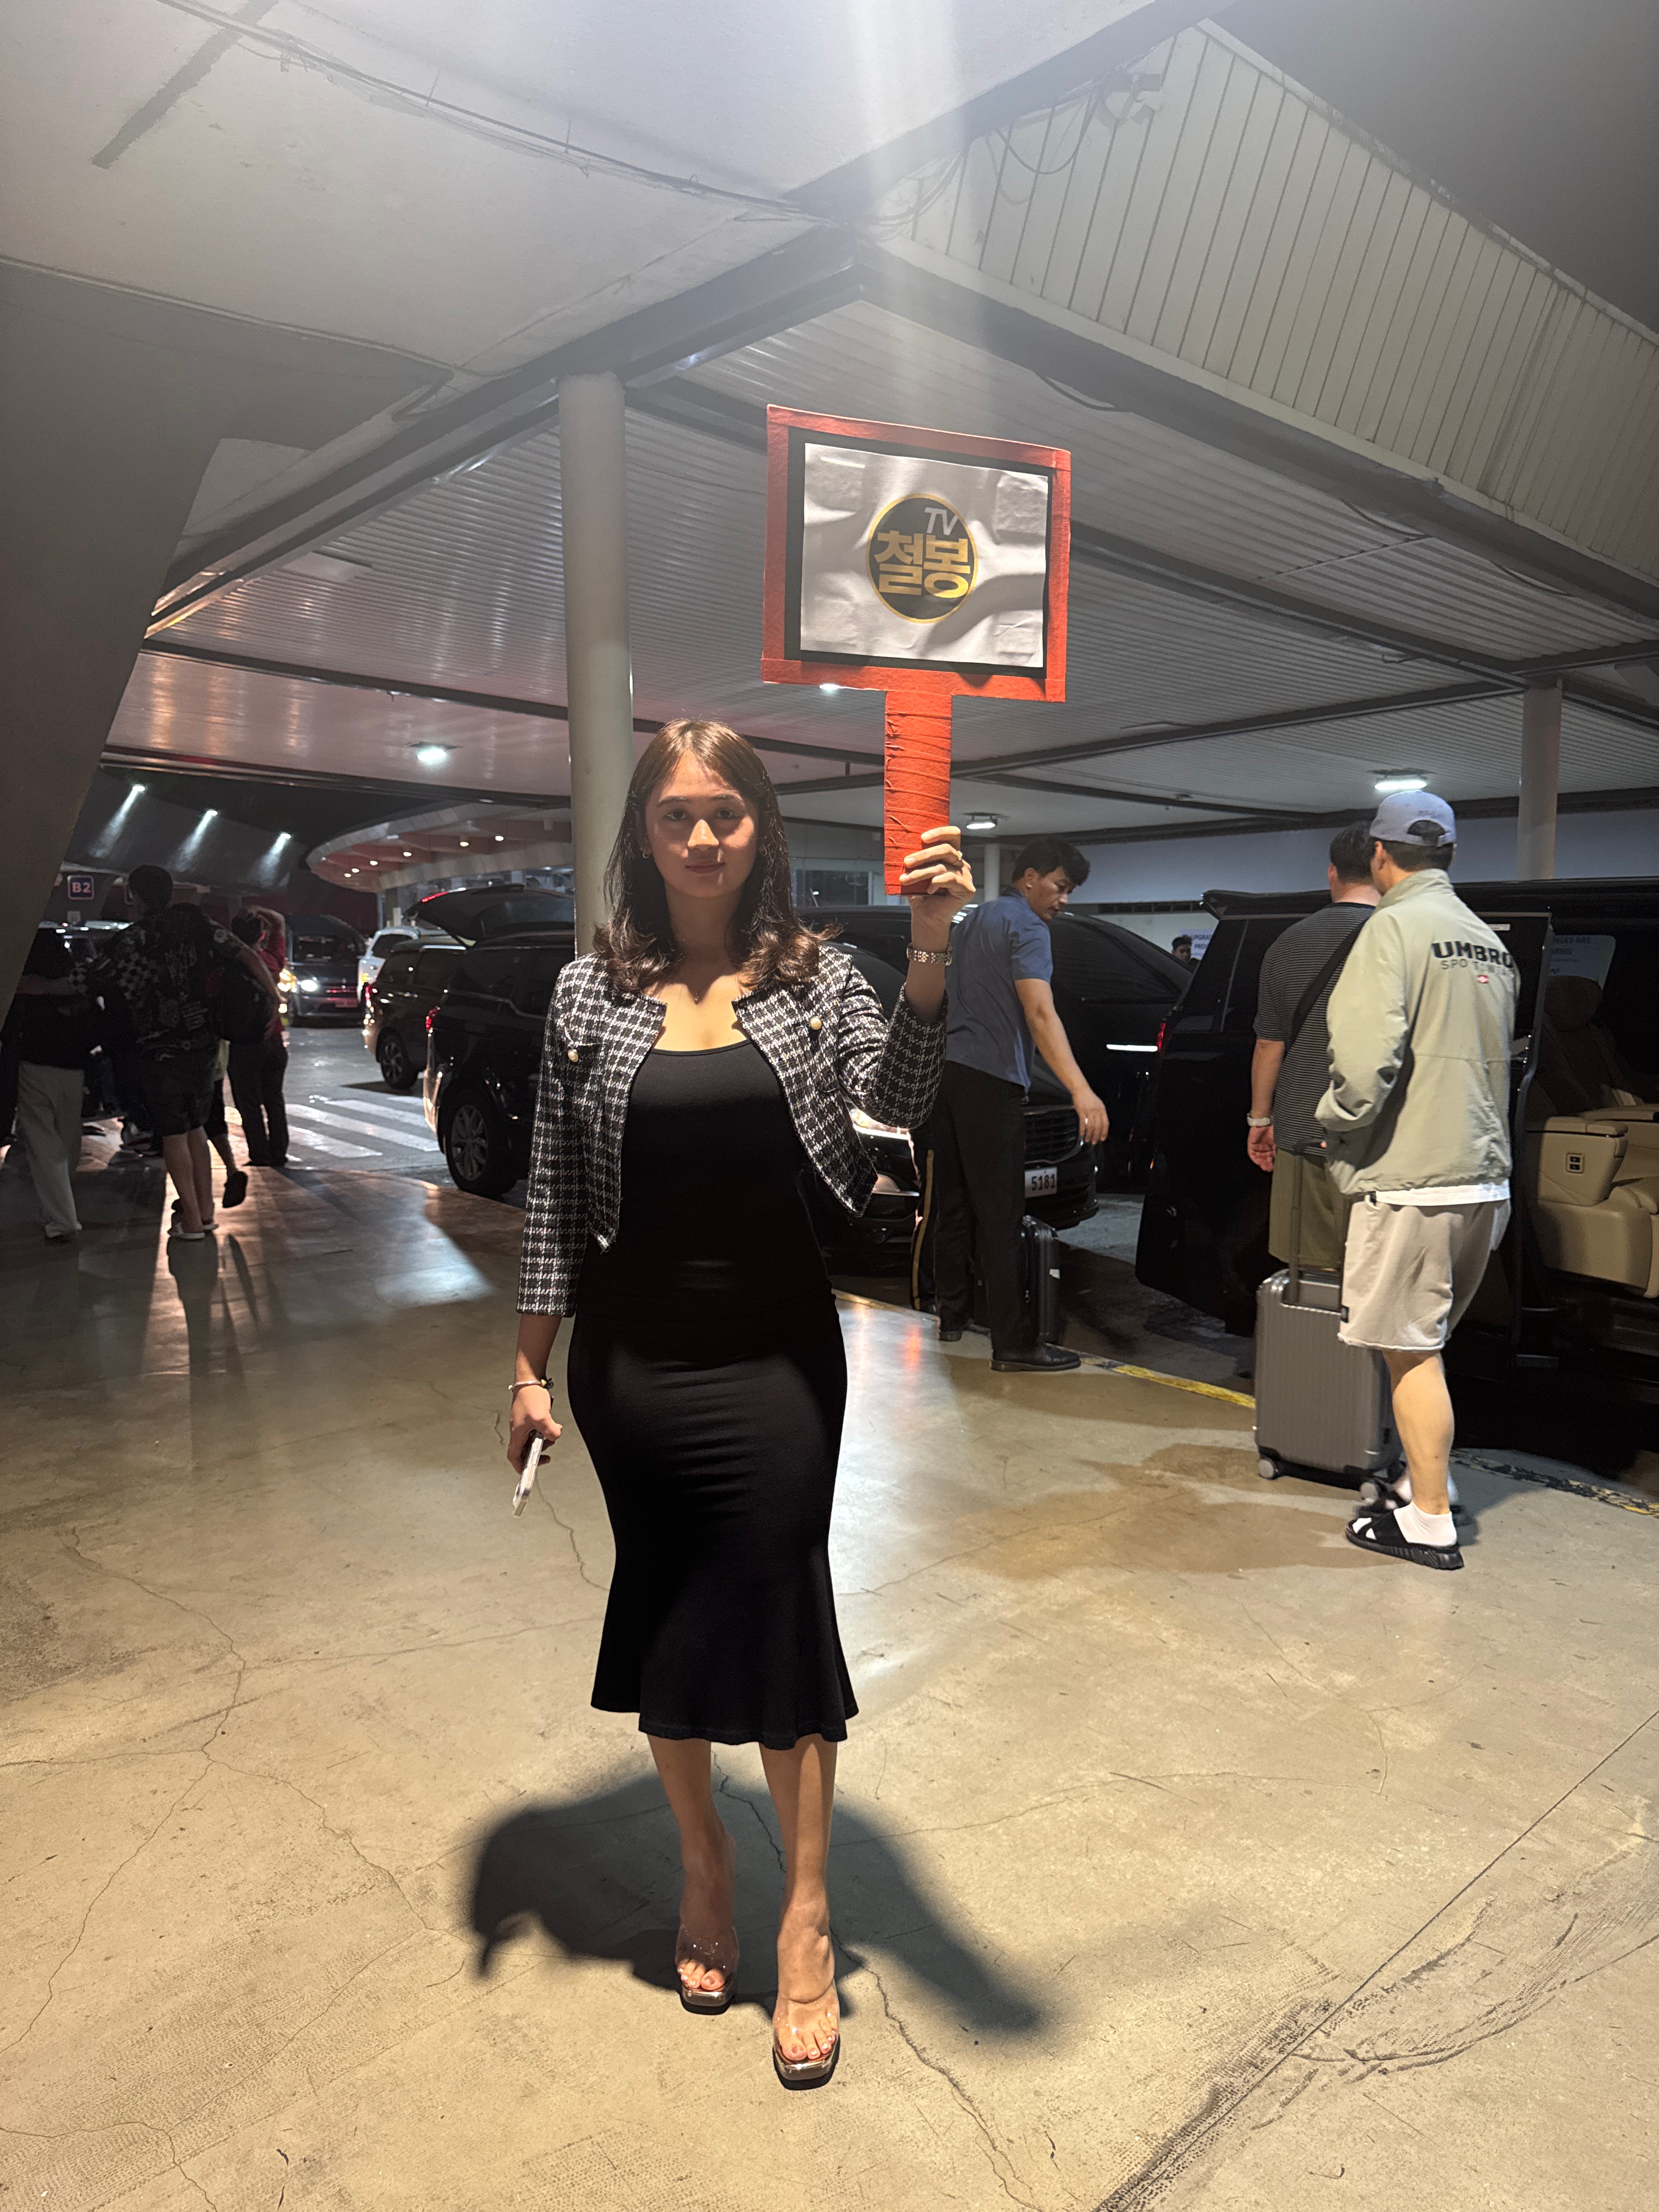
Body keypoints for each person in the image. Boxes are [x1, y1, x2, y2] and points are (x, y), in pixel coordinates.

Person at [505, 718, 970, 2089]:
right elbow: (553, 1189)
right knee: (668, 1607)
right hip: (633, 1363)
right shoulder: (587, 993)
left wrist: (930, 948)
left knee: (776, 1609)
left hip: (775, 1357)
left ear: (762, 828)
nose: (703, 836)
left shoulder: (819, 979)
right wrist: (529, 1366)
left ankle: (807, 1912)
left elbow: (898, 1106)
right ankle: (705, 1862)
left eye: (727, 813)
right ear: (643, 836)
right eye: (677, 815)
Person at [1316, 794, 1518, 1571]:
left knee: (1408, 1351)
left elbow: (1365, 1064)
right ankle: (1423, 1481)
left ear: (1379, 854)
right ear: (1451, 855)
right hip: (1482, 1177)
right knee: (1426, 1344)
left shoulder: (1391, 930)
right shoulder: (1485, 940)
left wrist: (1334, 1121)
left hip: (1413, 1179)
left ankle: (1429, 1520)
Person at [922, 836, 1108, 1372]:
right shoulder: (1027, 927)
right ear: (1030, 878)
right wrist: (1081, 1089)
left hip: (946, 1076)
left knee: (953, 1205)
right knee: (1001, 1214)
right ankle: (1014, 1344)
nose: (1063, 900)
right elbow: (1040, 1012)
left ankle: (952, 1315)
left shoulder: (973, 921)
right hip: (990, 1081)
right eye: (1059, 887)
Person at [95, 865, 276, 1239]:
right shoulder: (198, 926)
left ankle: (191, 1220)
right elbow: (246, 955)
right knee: (196, 1127)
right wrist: (273, 998)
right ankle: (206, 1213)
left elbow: (89, 980)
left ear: (133, 896)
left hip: (159, 1050)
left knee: (173, 1134)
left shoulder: (130, 941)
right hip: (202, 1045)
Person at [1246, 822, 1380, 1270]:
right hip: (1379, 1139)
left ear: (1332, 873)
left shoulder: (1287, 943)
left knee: (1312, 1275)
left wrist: (1260, 1119)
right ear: (1383, 869)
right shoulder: (1401, 939)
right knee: (1380, 1275)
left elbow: (1269, 1045)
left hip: (1303, 1134)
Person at [3, 929, 100, 1241]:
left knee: (44, 1145)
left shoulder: (22, 986)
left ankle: (62, 1219)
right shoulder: (75, 986)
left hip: (33, 1069)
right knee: (69, 1139)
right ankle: (59, 1207)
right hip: (74, 1071)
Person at [227, 911, 290, 1168]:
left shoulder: (231, 964)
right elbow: (280, 922)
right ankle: (279, 1152)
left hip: (244, 1041)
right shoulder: (272, 961)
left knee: (249, 1102)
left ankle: (260, 1154)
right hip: (273, 1040)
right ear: (262, 935)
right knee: (274, 1099)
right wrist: (259, 909)